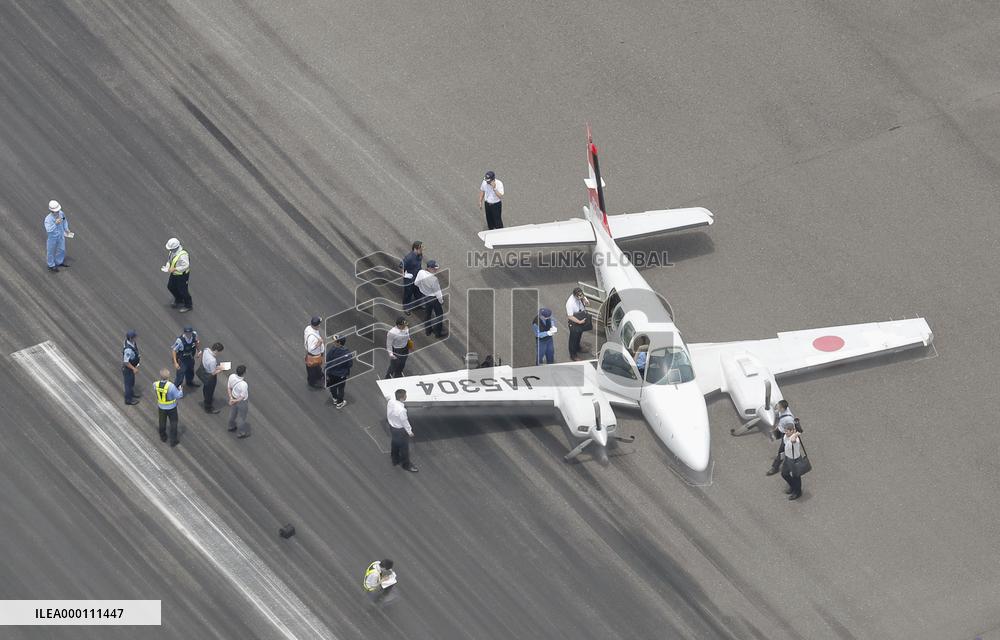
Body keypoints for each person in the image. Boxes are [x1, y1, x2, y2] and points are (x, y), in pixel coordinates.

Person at [387, 389, 417, 472]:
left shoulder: (391, 402)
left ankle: (394, 458)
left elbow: (388, 398)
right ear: (401, 398)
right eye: (405, 395)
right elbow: (404, 422)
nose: (406, 396)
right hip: (400, 430)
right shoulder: (402, 410)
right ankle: (406, 465)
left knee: (395, 442)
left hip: (392, 427)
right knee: (404, 448)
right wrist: (410, 432)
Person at [415, 260, 446, 338]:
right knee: (439, 315)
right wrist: (441, 301)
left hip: (425, 296)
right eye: (434, 268)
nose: (436, 270)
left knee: (427, 314)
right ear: (429, 268)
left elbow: (416, 283)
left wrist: (422, 289)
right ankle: (438, 333)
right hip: (433, 299)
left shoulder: (420, 272)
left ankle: (428, 331)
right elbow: (438, 292)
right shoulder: (434, 279)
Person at [154, 368, 184, 447]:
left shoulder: (155, 384)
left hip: (161, 407)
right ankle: (173, 440)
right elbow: (179, 396)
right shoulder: (171, 386)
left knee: (162, 422)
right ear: (168, 376)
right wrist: (180, 390)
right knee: (173, 423)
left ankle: (163, 436)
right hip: (171, 407)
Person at [765, 400, 795, 476]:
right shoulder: (782, 411)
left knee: (781, 452)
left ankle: (775, 467)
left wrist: (788, 439)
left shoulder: (788, 419)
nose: (776, 407)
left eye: (778, 406)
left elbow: (791, 429)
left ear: (782, 408)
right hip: (781, 430)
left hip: (786, 435)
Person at [164, 238, 193, 312]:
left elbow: (186, 266)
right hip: (174, 274)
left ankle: (188, 305)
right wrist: (167, 266)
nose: (170, 250)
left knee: (183, 290)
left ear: (176, 247)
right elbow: (170, 260)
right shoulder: (172, 252)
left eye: (171, 249)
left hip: (182, 275)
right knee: (170, 286)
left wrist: (174, 269)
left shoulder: (183, 255)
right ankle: (179, 299)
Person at [325, 335, 353, 409]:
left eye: (335, 341)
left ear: (339, 342)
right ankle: (339, 403)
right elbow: (350, 364)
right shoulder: (347, 353)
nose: (334, 342)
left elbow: (327, 359)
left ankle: (335, 398)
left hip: (331, 373)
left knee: (332, 386)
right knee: (340, 388)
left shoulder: (332, 350)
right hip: (341, 375)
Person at [44, 200, 71, 272]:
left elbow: (65, 221)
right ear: (52, 211)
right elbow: (49, 230)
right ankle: (51, 265)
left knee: (62, 249)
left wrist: (66, 229)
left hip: (61, 235)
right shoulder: (48, 219)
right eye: (57, 210)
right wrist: (55, 223)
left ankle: (59, 262)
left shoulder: (61, 213)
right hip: (52, 237)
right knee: (50, 251)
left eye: (58, 210)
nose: (58, 211)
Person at [565, 287, 592, 360]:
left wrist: (585, 301)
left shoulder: (581, 296)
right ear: (574, 295)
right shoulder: (570, 303)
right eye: (579, 297)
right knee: (573, 339)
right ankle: (573, 355)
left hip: (580, 317)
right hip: (574, 321)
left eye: (581, 296)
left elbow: (588, 304)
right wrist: (579, 322)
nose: (580, 297)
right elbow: (570, 316)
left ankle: (578, 348)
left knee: (579, 335)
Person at [172, 326, 201, 390]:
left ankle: (189, 382)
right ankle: (175, 388)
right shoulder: (180, 340)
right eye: (187, 333)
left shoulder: (194, 334)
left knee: (190, 371)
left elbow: (196, 342)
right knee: (180, 374)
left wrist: (198, 351)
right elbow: (174, 350)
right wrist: (175, 363)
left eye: (189, 333)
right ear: (184, 333)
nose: (188, 334)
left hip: (190, 357)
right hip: (182, 360)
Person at [399, 241, 423, 315]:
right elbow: (401, 265)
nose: (422, 250)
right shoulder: (409, 258)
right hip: (409, 280)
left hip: (417, 277)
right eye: (420, 248)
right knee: (408, 294)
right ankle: (406, 307)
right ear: (415, 249)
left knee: (418, 291)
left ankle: (419, 303)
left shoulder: (420, 255)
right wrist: (404, 275)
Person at [200, 342, 225, 414]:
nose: (219, 354)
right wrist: (222, 368)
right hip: (210, 377)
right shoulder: (213, 360)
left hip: (204, 371)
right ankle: (208, 407)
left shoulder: (206, 350)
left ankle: (206, 398)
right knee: (210, 391)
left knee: (205, 388)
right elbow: (213, 372)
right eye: (219, 352)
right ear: (216, 351)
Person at [780, 427, 805, 500]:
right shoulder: (785, 436)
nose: (786, 433)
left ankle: (797, 492)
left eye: (787, 431)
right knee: (784, 474)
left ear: (792, 431)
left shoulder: (796, 440)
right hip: (788, 458)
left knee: (796, 477)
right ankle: (793, 486)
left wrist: (796, 434)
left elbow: (793, 440)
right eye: (785, 431)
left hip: (795, 460)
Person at [227, 364, 250, 438]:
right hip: (241, 402)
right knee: (241, 417)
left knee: (232, 413)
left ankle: (231, 426)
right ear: (244, 373)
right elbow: (242, 397)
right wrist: (235, 401)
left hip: (233, 397)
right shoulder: (244, 384)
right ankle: (241, 433)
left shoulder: (231, 376)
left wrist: (231, 398)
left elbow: (229, 388)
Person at [304, 316, 325, 388]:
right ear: (317, 325)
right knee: (312, 370)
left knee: (316, 367)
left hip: (315, 355)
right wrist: (318, 344)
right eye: (319, 324)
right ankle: (312, 382)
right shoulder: (311, 337)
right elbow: (310, 348)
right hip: (313, 355)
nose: (320, 325)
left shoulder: (309, 328)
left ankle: (320, 376)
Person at [122, 330, 141, 405]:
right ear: (131, 338)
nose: (136, 337)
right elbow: (126, 362)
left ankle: (131, 394)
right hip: (128, 368)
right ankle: (128, 400)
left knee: (132, 382)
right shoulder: (128, 349)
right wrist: (133, 368)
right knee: (128, 385)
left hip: (132, 366)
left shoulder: (131, 342)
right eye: (135, 336)